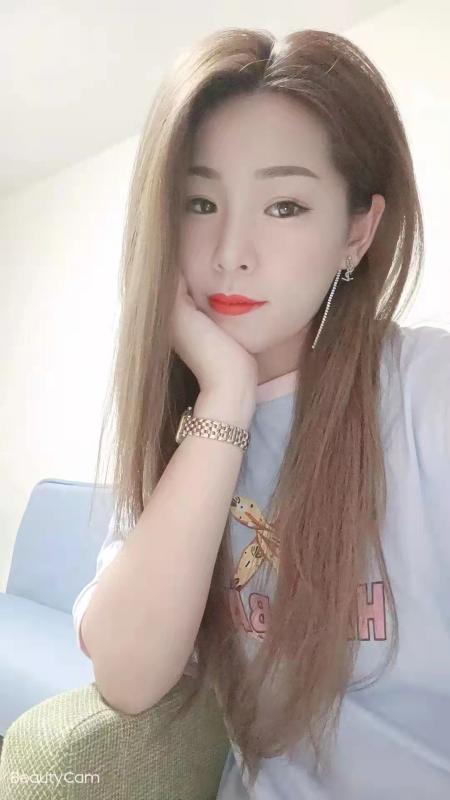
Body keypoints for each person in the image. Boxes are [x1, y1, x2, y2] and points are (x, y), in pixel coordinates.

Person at [72, 27, 450, 798]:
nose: (230, 252)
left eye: (284, 205)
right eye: (200, 203)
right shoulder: (180, 433)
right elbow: (129, 676)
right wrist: (226, 395)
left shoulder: (424, 389)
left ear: (357, 232)